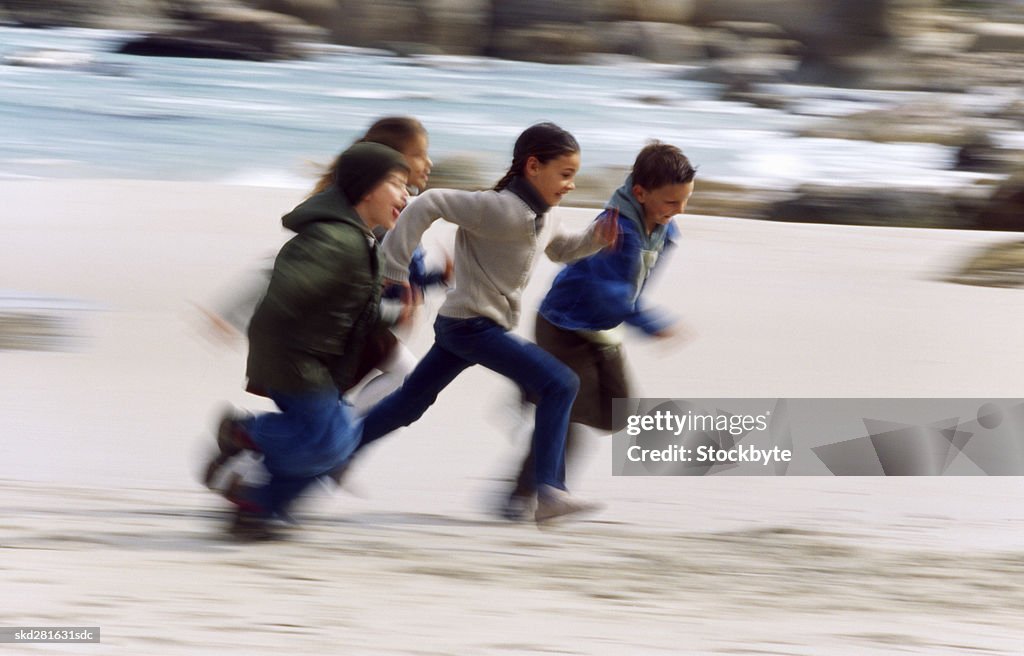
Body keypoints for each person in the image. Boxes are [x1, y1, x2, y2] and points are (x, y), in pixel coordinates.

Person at [350, 122, 618, 523]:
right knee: (560, 383)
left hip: (468, 326)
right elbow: (429, 202)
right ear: (532, 166)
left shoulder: (545, 215)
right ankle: (548, 491)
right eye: (565, 175)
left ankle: (332, 452)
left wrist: (596, 237)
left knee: (409, 403)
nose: (571, 185)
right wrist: (395, 266)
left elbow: (562, 250)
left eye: (574, 176)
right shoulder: (497, 207)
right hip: (472, 327)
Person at [205, 142, 410, 537]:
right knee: (329, 442)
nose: (407, 194)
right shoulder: (334, 239)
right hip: (295, 359)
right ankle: (242, 433)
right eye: (397, 184)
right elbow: (285, 287)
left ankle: (254, 505)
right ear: (367, 189)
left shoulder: (362, 240)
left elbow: (352, 307)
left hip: (318, 359)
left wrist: (390, 313)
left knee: (338, 443)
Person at [500, 141, 696, 519]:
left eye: (685, 200)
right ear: (640, 193)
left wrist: (634, 315)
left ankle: (531, 390)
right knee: (568, 418)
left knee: (617, 414)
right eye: (671, 202)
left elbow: (634, 285)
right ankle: (523, 496)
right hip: (564, 325)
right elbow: (610, 292)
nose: (679, 211)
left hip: (602, 328)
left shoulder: (663, 231)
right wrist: (650, 323)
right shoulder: (617, 230)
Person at [200, 116, 447, 412]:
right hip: (346, 322)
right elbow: (287, 267)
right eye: (418, 154)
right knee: (399, 377)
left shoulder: (393, 207)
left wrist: (437, 278)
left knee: (353, 393)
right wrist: (233, 310)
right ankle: (338, 436)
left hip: (360, 318)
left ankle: (335, 435)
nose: (428, 163)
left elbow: (403, 275)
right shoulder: (371, 214)